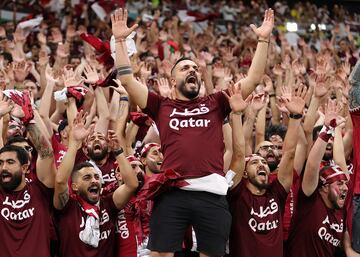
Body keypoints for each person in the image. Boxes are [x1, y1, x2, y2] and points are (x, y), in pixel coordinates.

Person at [112, 7, 274, 257]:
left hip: (212, 194)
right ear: (172, 78)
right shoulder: (161, 106)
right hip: (173, 192)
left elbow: (252, 79)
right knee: (159, 254)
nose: (192, 71)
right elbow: (127, 81)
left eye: (196, 69)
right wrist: (121, 41)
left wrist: (263, 39)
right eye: (185, 68)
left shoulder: (216, 102)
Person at [227, 83, 307, 257]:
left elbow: (289, 154)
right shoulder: (236, 195)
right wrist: (237, 114)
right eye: (255, 162)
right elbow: (239, 154)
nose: (262, 164)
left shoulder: (276, 194)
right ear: (245, 173)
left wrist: (295, 117)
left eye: (263, 162)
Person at [53, 111, 138, 257]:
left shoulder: (107, 203)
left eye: (96, 177)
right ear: (74, 186)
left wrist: (118, 150)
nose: (93, 180)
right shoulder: (67, 206)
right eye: (87, 177)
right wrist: (73, 143)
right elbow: (60, 181)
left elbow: (132, 185)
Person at [286, 100, 349, 257]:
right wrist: (327, 129)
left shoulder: (341, 212)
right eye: (340, 183)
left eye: (345, 184)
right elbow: (312, 166)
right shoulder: (309, 201)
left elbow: (340, 160)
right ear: (324, 187)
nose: (345, 188)